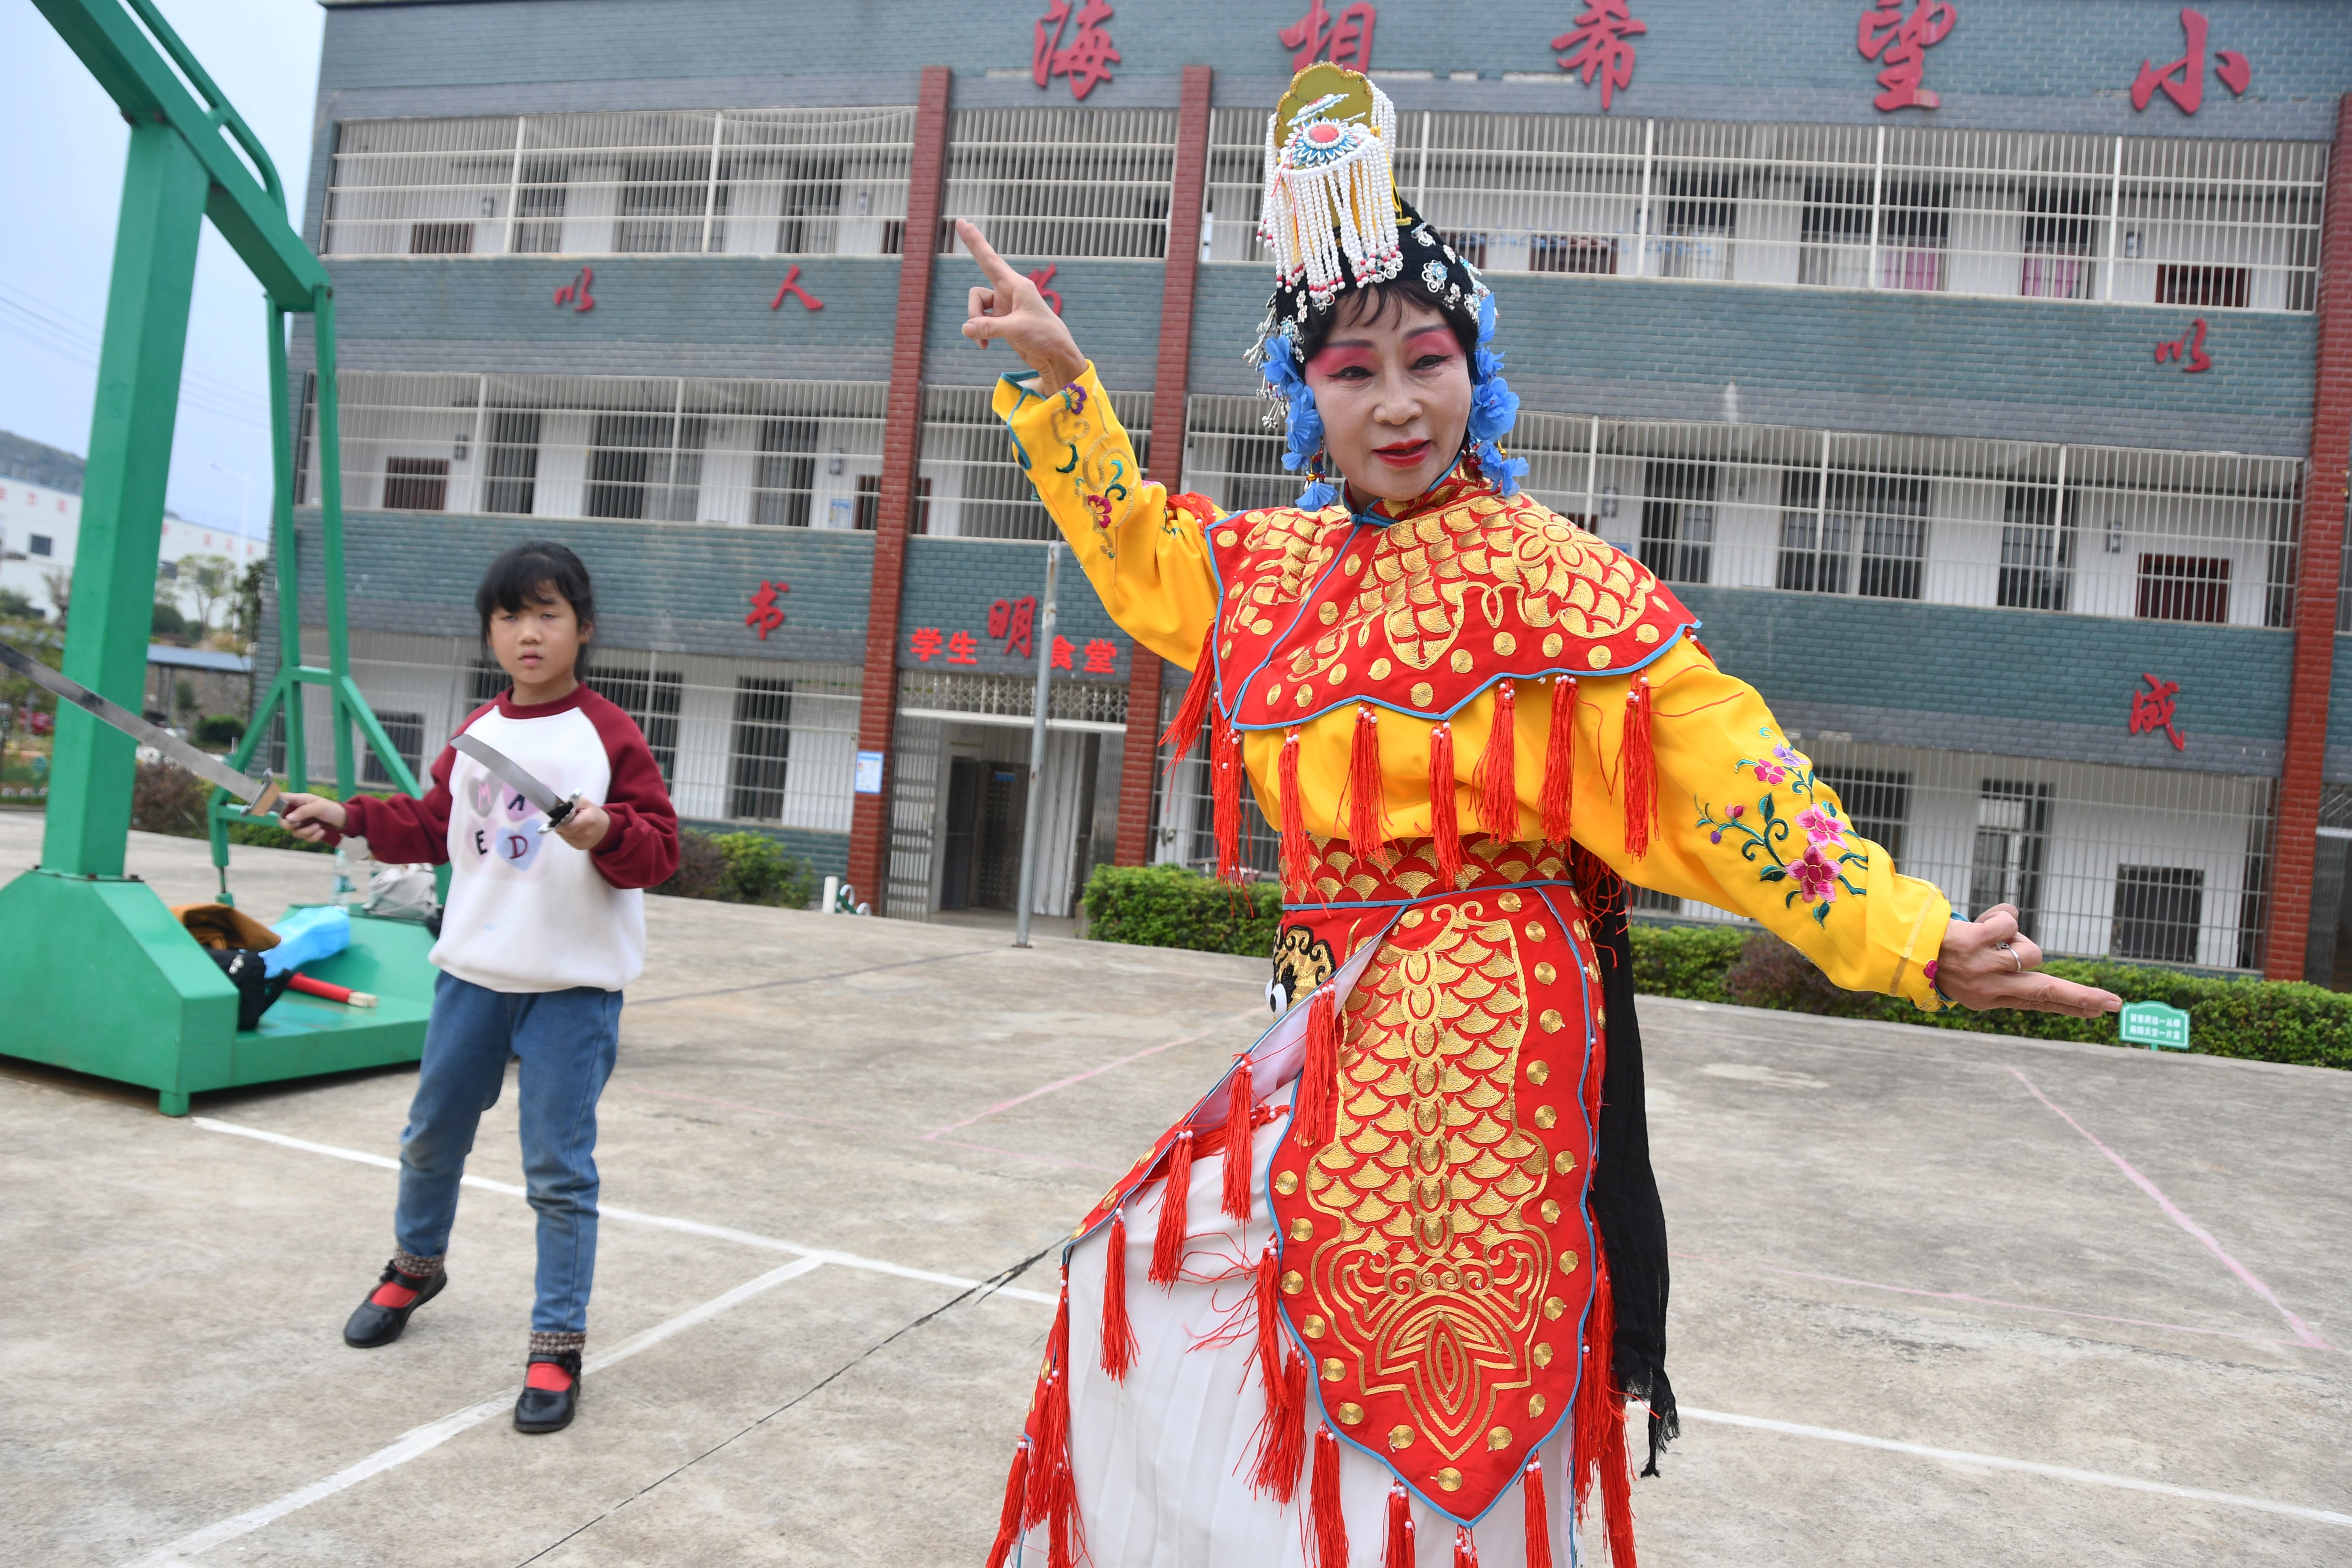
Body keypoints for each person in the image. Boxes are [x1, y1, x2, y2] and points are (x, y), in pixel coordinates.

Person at [958, 65, 2119, 1568]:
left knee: (1439, 1400)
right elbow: (1139, 554)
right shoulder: (1272, 572)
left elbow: (1721, 774)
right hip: (1314, 1013)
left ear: (1474, 370)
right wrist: (1061, 388)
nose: (1392, 401)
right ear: (1303, 395)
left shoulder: (1542, 573)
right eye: (1349, 370)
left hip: (1478, 1022)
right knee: (1172, 1281)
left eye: (1424, 359)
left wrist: (1907, 938)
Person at [278, 540, 680, 1435]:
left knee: (557, 1171)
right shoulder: (476, 736)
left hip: (572, 989)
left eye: (547, 613)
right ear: (490, 631)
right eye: (510, 615)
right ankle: (416, 1264)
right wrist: (347, 815)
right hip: (469, 977)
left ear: (584, 626)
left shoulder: (607, 732)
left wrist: (607, 831)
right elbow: (431, 825)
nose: (528, 633)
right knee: (430, 1139)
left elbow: (659, 849)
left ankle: (557, 1339)